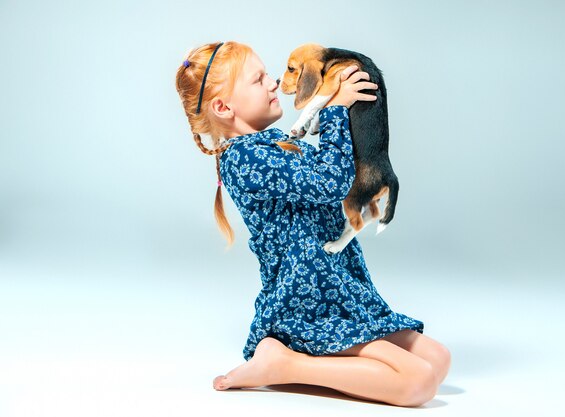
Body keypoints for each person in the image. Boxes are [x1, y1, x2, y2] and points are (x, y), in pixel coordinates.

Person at [174, 41, 450, 407]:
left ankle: (302, 363)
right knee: (419, 382)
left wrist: (334, 99)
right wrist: (335, 109)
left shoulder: (274, 141)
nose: (273, 83)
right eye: (258, 81)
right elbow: (329, 182)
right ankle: (286, 363)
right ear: (224, 108)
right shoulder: (244, 158)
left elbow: (332, 172)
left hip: (336, 289)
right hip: (307, 301)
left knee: (439, 360)